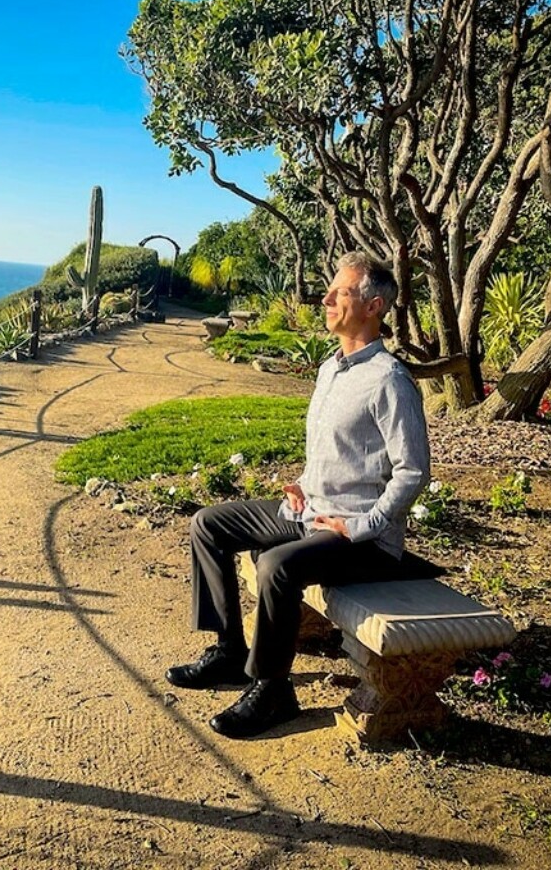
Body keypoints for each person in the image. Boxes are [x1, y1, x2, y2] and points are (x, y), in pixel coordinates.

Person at [166, 252, 431, 739]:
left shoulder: (390, 381)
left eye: (341, 293)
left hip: (360, 537)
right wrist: (305, 487)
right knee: (210, 524)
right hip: (312, 513)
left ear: (373, 306)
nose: (326, 299)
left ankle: (273, 690)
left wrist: (363, 526)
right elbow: (340, 452)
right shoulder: (332, 369)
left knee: (277, 565)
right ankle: (229, 652)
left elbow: (413, 471)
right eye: (331, 290)